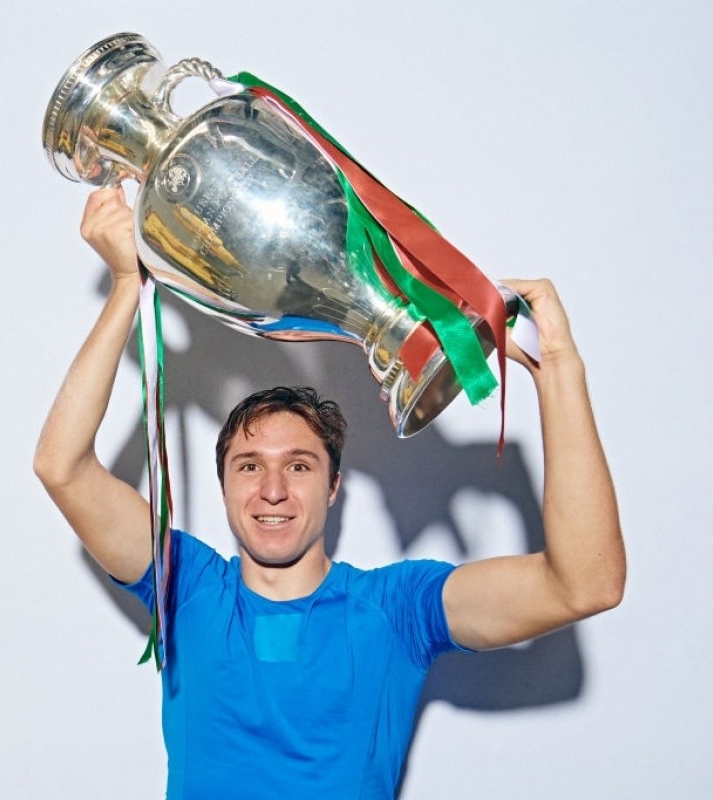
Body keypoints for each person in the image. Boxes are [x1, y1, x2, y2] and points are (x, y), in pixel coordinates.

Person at [34, 186, 626, 799]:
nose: (272, 490)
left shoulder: (398, 609)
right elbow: (62, 467)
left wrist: (558, 368)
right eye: (249, 466)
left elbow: (586, 583)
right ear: (224, 486)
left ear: (333, 486)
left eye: (298, 466)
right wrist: (127, 287)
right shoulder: (185, 588)